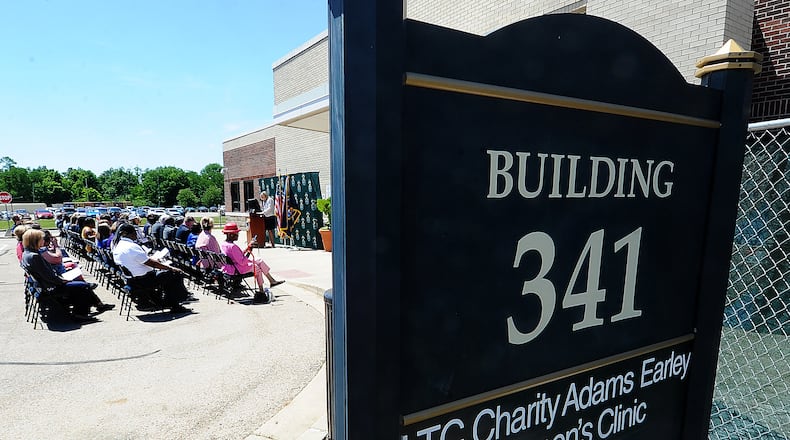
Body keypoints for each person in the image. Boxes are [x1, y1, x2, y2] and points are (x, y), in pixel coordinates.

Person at [20, 229, 114, 322]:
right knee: (83, 286)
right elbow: (48, 276)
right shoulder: (34, 256)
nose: (43, 241)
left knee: (81, 283)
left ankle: (98, 305)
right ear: (35, 240)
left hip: (47, 285)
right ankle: (80, 314)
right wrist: (62, 280)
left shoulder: (27, 253)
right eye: (41, 239)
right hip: (51, 287)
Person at [111, 223, 191, 313]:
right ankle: (175, 303)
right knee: (175, 274)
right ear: (131, 234)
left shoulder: (118, 246)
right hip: (144, 280)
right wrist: (170, 268)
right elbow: (152, 264)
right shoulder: (131, 247)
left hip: (133, 279)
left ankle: (165, 299)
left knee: (166, 274)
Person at [220, 222, 284, 303]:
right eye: (236, 233)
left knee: (259, 260)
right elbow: (242, 261)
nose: (238, 235)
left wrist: (247, 248)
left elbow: (239, 255)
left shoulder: (224, 244)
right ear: (230, 234)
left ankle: (271, 280)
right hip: (236, 269)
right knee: (256, 268)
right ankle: (261, 291)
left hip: (230, 267)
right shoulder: (233, 246)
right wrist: (250, 250)